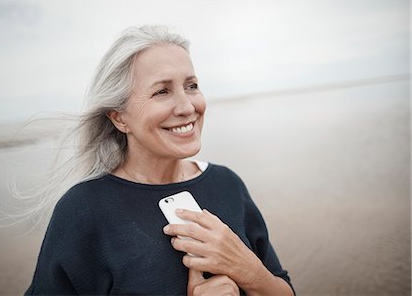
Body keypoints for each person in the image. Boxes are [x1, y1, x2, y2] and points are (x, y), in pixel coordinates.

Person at [24, 25, 295, 296]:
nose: (187, 107)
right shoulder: (84, 209)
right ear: (119, 117)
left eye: (192, 86)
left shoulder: (227, 184)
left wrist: (251, 272)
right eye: (162, 92)